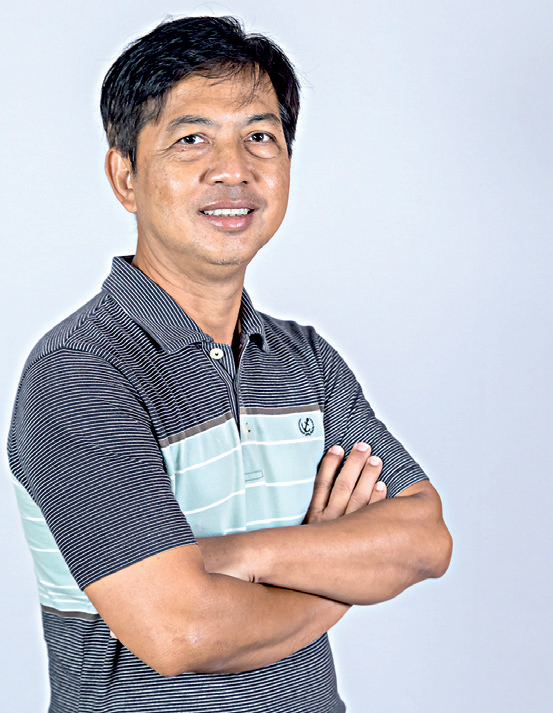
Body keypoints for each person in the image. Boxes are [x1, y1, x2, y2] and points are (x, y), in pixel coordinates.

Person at [7, 15, 452, 713]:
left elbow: (424, 541)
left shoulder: (306, 362)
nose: (233, 169)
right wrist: (332, 567)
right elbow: (178, 630)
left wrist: (238, 556)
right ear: (125, 176)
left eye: (259, 137)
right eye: (192, 139)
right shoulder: (81, 373)